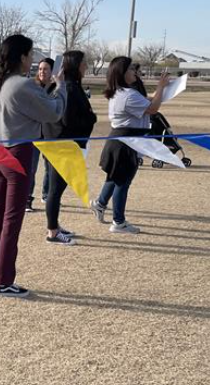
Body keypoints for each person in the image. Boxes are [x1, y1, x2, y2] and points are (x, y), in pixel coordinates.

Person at [0, 35, 66, 297]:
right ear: (21, 57)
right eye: (30, 55)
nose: (32, 60)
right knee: (11, 218)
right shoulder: (21, 85)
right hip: (17, 153)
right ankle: (4, 280)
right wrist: (60, 87)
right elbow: (53, 112)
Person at [90, 57, 170, 234]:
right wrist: (161, 87)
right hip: (125, 142)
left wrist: (159, 92)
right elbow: (153, 109)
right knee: (122, 182)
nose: (135, 72)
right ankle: (118, 222)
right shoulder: (128, 95)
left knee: (115, 177)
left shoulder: (121, 92)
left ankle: (100, 204)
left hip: (122, 140)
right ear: (122, 73)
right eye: (131, 69)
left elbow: (149, 102)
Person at [42, 51, 97, 245]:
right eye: (84, 63)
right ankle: (53, 232)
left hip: (60, 144)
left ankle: (54, 225)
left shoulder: (68, 86)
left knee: (57, 189)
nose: (86, 67)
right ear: (75, 66)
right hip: (62, 146)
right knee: (55, 190)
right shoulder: (69, 88)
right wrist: (91, 117)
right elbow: (66, 119)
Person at [25, 57, 56, 212]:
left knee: (50, 168)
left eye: (46, 69)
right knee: (31, 168)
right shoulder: (32, 86)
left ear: (53, 71)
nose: (42, 72)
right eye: (40, 69)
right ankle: (27, 199)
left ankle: (47, 195)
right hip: (34, 134)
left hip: (50, 134)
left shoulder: (57, 87)